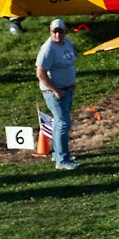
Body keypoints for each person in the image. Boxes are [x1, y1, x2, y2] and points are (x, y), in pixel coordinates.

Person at [36, 18, 80, 171]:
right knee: (63, 123)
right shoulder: (48, 49)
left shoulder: (67, 43)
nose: (57, 35)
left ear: (65, 31)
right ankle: (62, 160)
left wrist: (70, 81)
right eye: (54, 31)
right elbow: (40, 73)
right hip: (55, 92)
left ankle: (57, 153)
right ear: (50, 31)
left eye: (60, 31)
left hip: (66, 89)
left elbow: (71, 60)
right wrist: (55, 90)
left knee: (60, 123)